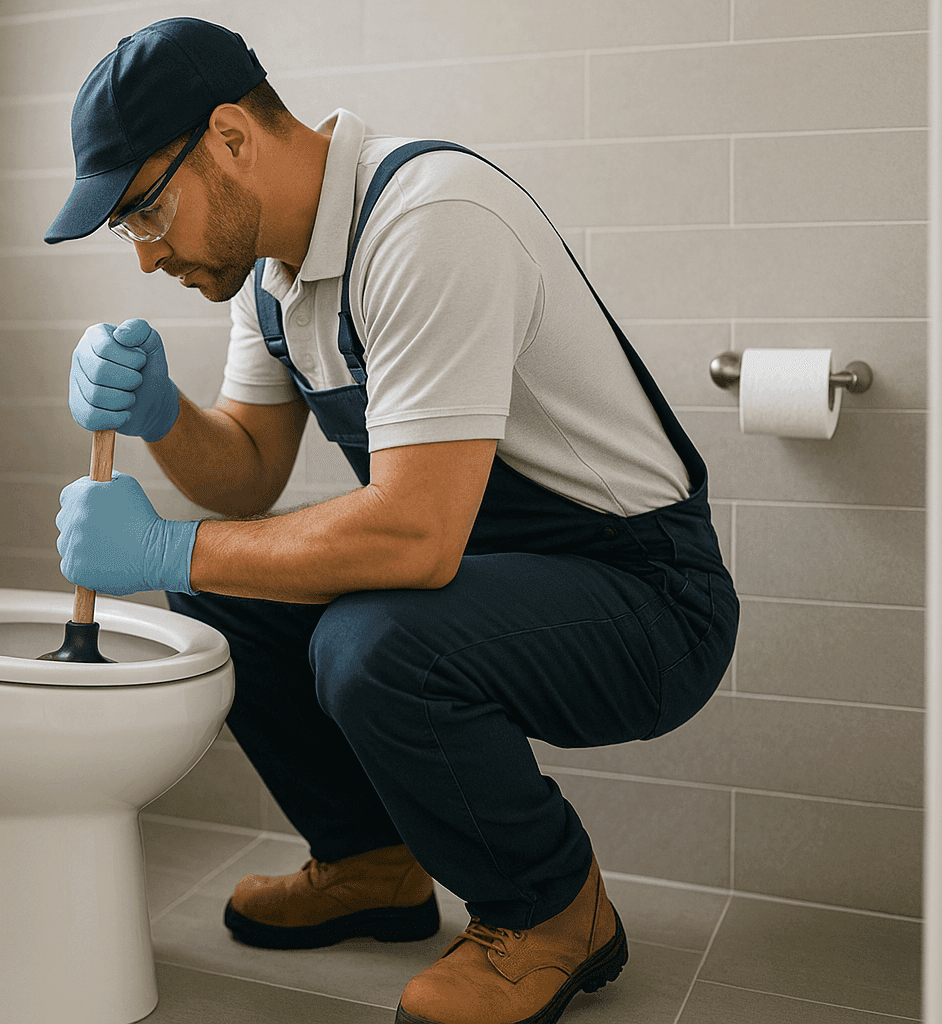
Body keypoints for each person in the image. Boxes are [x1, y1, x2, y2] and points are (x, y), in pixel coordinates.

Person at [44, 18, 738, 1024]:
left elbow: (414, 537)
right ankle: (372, 862)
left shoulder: (427, 218)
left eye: (146, 210)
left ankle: (551, 907)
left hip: (648, 595)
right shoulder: (276, 280)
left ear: (232, 138)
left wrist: (154, 541)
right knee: (216, 583)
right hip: (487, 570)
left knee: (373, 640)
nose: (148, 257)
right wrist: (162, 415)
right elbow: (244, 476)